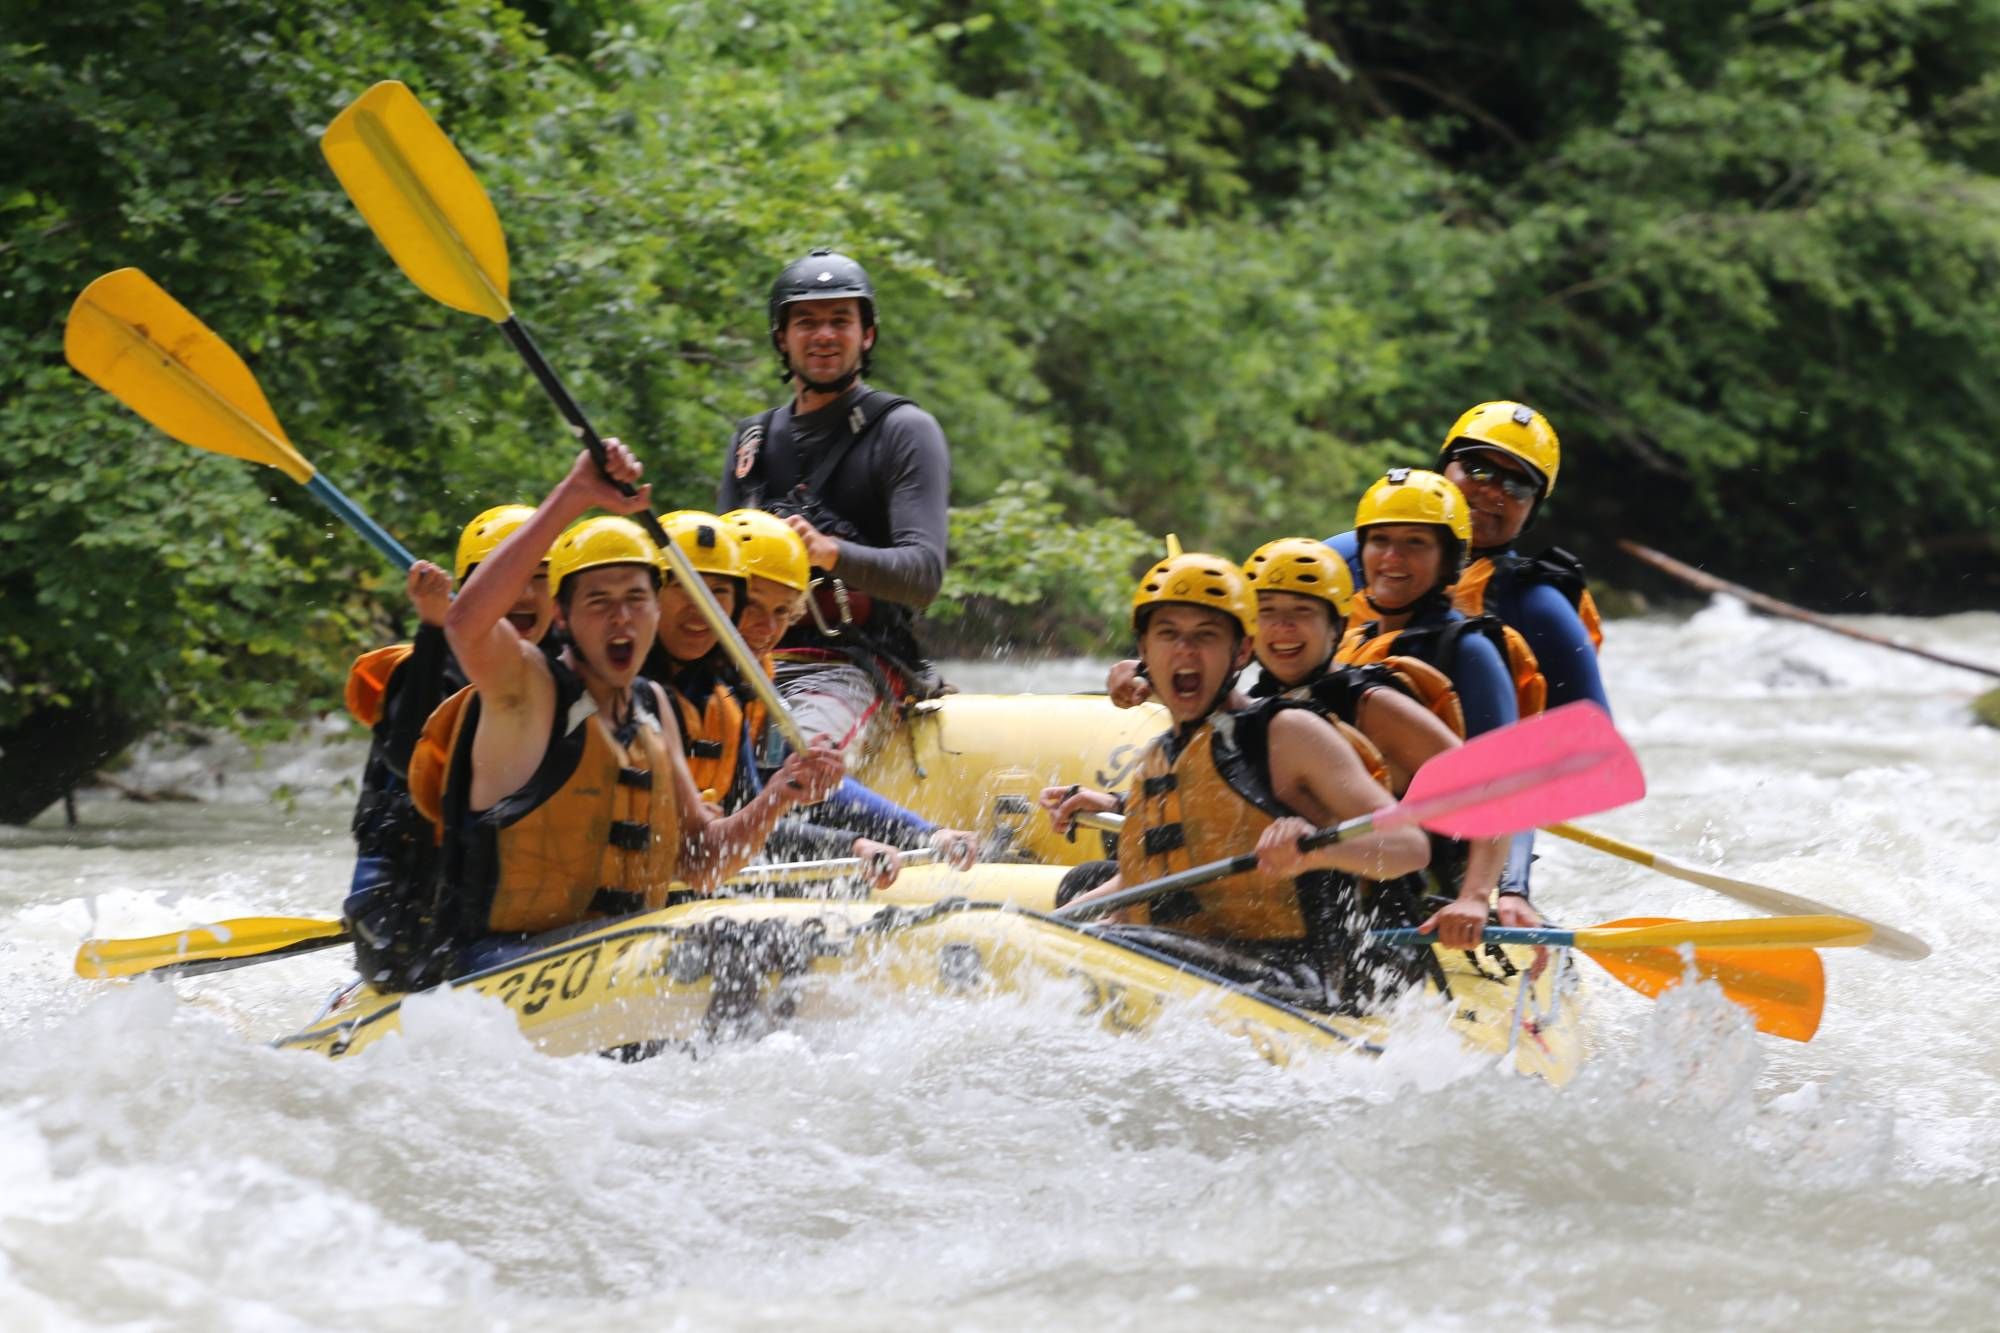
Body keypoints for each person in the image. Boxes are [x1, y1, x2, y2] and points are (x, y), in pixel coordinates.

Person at [417, 444, 845, 977]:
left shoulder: (652, 706)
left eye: (637, 600)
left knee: (770, 947)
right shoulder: (526, 688)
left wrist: (779, 795)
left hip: (616, 949)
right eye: (599, 601)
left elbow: (702, 862)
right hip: (499, 962)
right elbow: (465, 625)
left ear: (655, 610)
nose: (622, 618)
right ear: (563, 617)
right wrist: (574, 494)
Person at [1053, 537, 1515, 942]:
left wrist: (1482, 895)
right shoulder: (1242, 715)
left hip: (1370, 905)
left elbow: (1488, 790)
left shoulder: (1364, 706)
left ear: (1336, 628)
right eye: (1268, 613)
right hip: (1257, 908)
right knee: (1086, 881)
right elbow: (1215, 813)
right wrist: (1118, 806)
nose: (1281, 628)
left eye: (1300, 613)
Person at [1060, 551, 1434, 1012]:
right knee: (1082, 904)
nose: (1185, 651)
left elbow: (1409, 847)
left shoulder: (1286, 732)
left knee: (1110, 941)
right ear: (1144, 651)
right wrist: (1051, 924)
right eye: (1168, 634)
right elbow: (1145, 887)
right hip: (1200, 959)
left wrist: (1316, 852)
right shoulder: (1160, 757)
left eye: (1205, 636)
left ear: (1241, 652)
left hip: (1308, 977)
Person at [716, 248, 951, 763]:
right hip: (744, 661)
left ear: (867, 335)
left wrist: (830, 553)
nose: (823, 334)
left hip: (851, 664)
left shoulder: (903, 431)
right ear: (782, 337)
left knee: (792, 760)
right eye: (806, 322)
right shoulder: (751, 440)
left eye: (840, 321)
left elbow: (924, 575)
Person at [340, 504, 553, 979]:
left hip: (496, 905)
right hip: (402, 911)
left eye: (540, 578)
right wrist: (434, 627)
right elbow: (405, 758)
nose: (524, 593)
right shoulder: (423, 670)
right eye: (508, 578)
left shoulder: (561, 677)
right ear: (473, 591)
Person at [1335, 468, 1544, 914]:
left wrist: (1508, 890)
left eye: (1415, 543)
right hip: (1348, 857)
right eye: (1380, 540)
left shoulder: (1470, 650)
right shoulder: (1349, 643)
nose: (1392, 557)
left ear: (1448, 560)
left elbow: (1508, 782)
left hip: (1426, 882)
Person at [1436, 401, 1610, 712]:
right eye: (1477, 470)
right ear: (1444, 467)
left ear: (1532, 509)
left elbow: (1592, 730)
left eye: (1517, 486)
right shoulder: (1358, 557)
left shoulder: (1540, 608)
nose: (1493, 492)